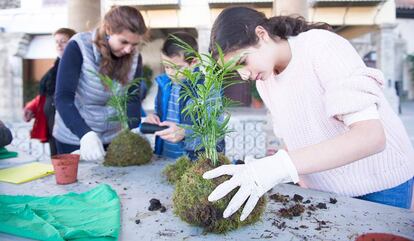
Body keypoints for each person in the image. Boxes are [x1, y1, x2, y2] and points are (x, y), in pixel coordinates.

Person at [203, 6, 414, 221]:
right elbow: (300, 138)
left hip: (379, 186)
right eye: (234, 71)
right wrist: (265, 168)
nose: (244, 75)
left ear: (261, 34)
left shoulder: (321, 47)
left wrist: (279, 166)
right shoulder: (266, 83)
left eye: (242, 61)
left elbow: (371, 137)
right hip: (327, 192)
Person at [53, 6, 147, 162]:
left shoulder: (135, 57)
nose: (128, 49)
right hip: (75, 136)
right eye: (123, 42)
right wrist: (85, 134)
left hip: (112, 137)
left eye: (134, 44)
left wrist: (134, 129)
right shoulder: (79, 46)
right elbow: (63, 98)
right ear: (109, 30)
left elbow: (132, 98)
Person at [145, 32, 224, 160]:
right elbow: (161, 114)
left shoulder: (207, 88)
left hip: (193, 164)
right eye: (166, 67)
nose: (171, 73)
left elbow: (217, 132)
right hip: (165, 158)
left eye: (177, 68)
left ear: (194, 62)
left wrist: (185, 133)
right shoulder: (164, 84)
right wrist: (154, 118)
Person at [23, 28, 76, 156]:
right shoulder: (57, 64)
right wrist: (32, 106)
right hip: (52, 120)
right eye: (56, 41)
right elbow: (48, 92)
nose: (59, 45)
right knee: (56, 158)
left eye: (63, 41)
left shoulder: (77, 64)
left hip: (67, 121)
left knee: (69, 159)